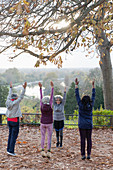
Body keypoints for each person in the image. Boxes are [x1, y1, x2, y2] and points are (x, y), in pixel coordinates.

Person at [75, 78, 95, 160]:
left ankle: (83, 154)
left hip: (82, 125)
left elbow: (77, 95)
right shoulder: (91, 105)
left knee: (82, 139)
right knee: (89, 139)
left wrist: (76, 85)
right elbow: (94, 96)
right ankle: (89, 154)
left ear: (82, 100)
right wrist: (93, 86)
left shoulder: (80, 105)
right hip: (89, 124)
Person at [6, 81, 27, 156]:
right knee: (13, 136)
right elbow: (21, 96)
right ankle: (11, 151)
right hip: (15, 121)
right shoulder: (16, 102)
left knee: (10, 135)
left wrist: (11, 88)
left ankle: (8, 149)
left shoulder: (8, 101)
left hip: (9, 120)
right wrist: (24, 88)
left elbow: (9, 95)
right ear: (16, 98)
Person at [38, 81, 54, 158]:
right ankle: (49, 151)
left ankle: (42, 150)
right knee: (49, 137)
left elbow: (41, 97)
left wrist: (40, 88)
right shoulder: (50, 106)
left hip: (42, 123)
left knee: (43, 137)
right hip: (50, 123)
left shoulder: (41, 105)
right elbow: (51, 97)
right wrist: (52, 88)